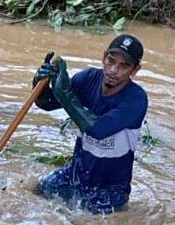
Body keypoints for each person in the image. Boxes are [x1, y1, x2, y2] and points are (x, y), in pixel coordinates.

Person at [32, 35, 148, 214]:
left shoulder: (136, 99)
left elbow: (98, 130)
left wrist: (65, 93)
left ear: (135, 70)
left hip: (110, 189)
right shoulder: (88, 79)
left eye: (124, 66)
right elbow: (47, 104)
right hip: (75, 173)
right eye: (111, 61)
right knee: (35, 193)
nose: (113, 70)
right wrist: (40, 82)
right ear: (104, 57)